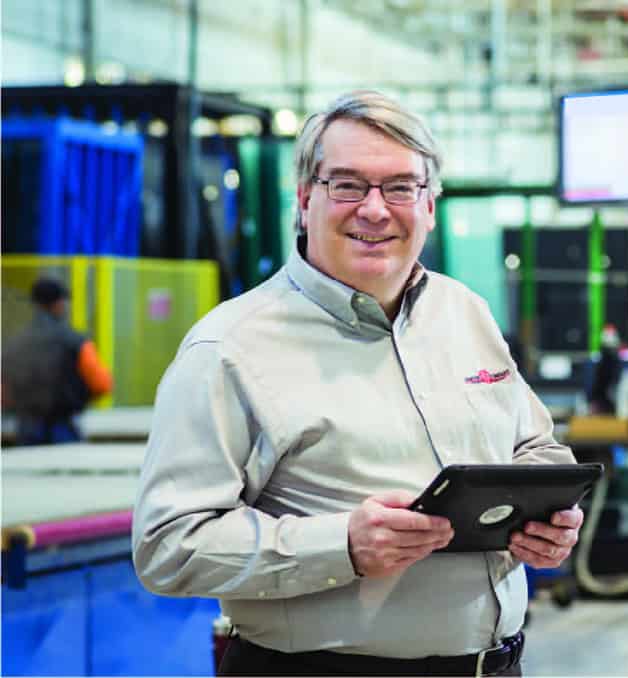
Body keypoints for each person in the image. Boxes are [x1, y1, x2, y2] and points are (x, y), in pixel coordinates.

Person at [131, 90, 582, 677]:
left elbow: (532, 445)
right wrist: (342, 545)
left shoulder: (461, 312)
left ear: (429, 205)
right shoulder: (230, 350)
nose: (374, 210)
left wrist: (547, 513)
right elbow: (168, 546)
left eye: (399, 187)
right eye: (347, 185)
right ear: (304, 199)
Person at [1, 277, 113, 445]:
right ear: (59, 304)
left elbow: (3, 392)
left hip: (26, 429)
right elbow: (102, 384)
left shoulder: (14, 344)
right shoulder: (77, 342)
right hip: (64, 427)